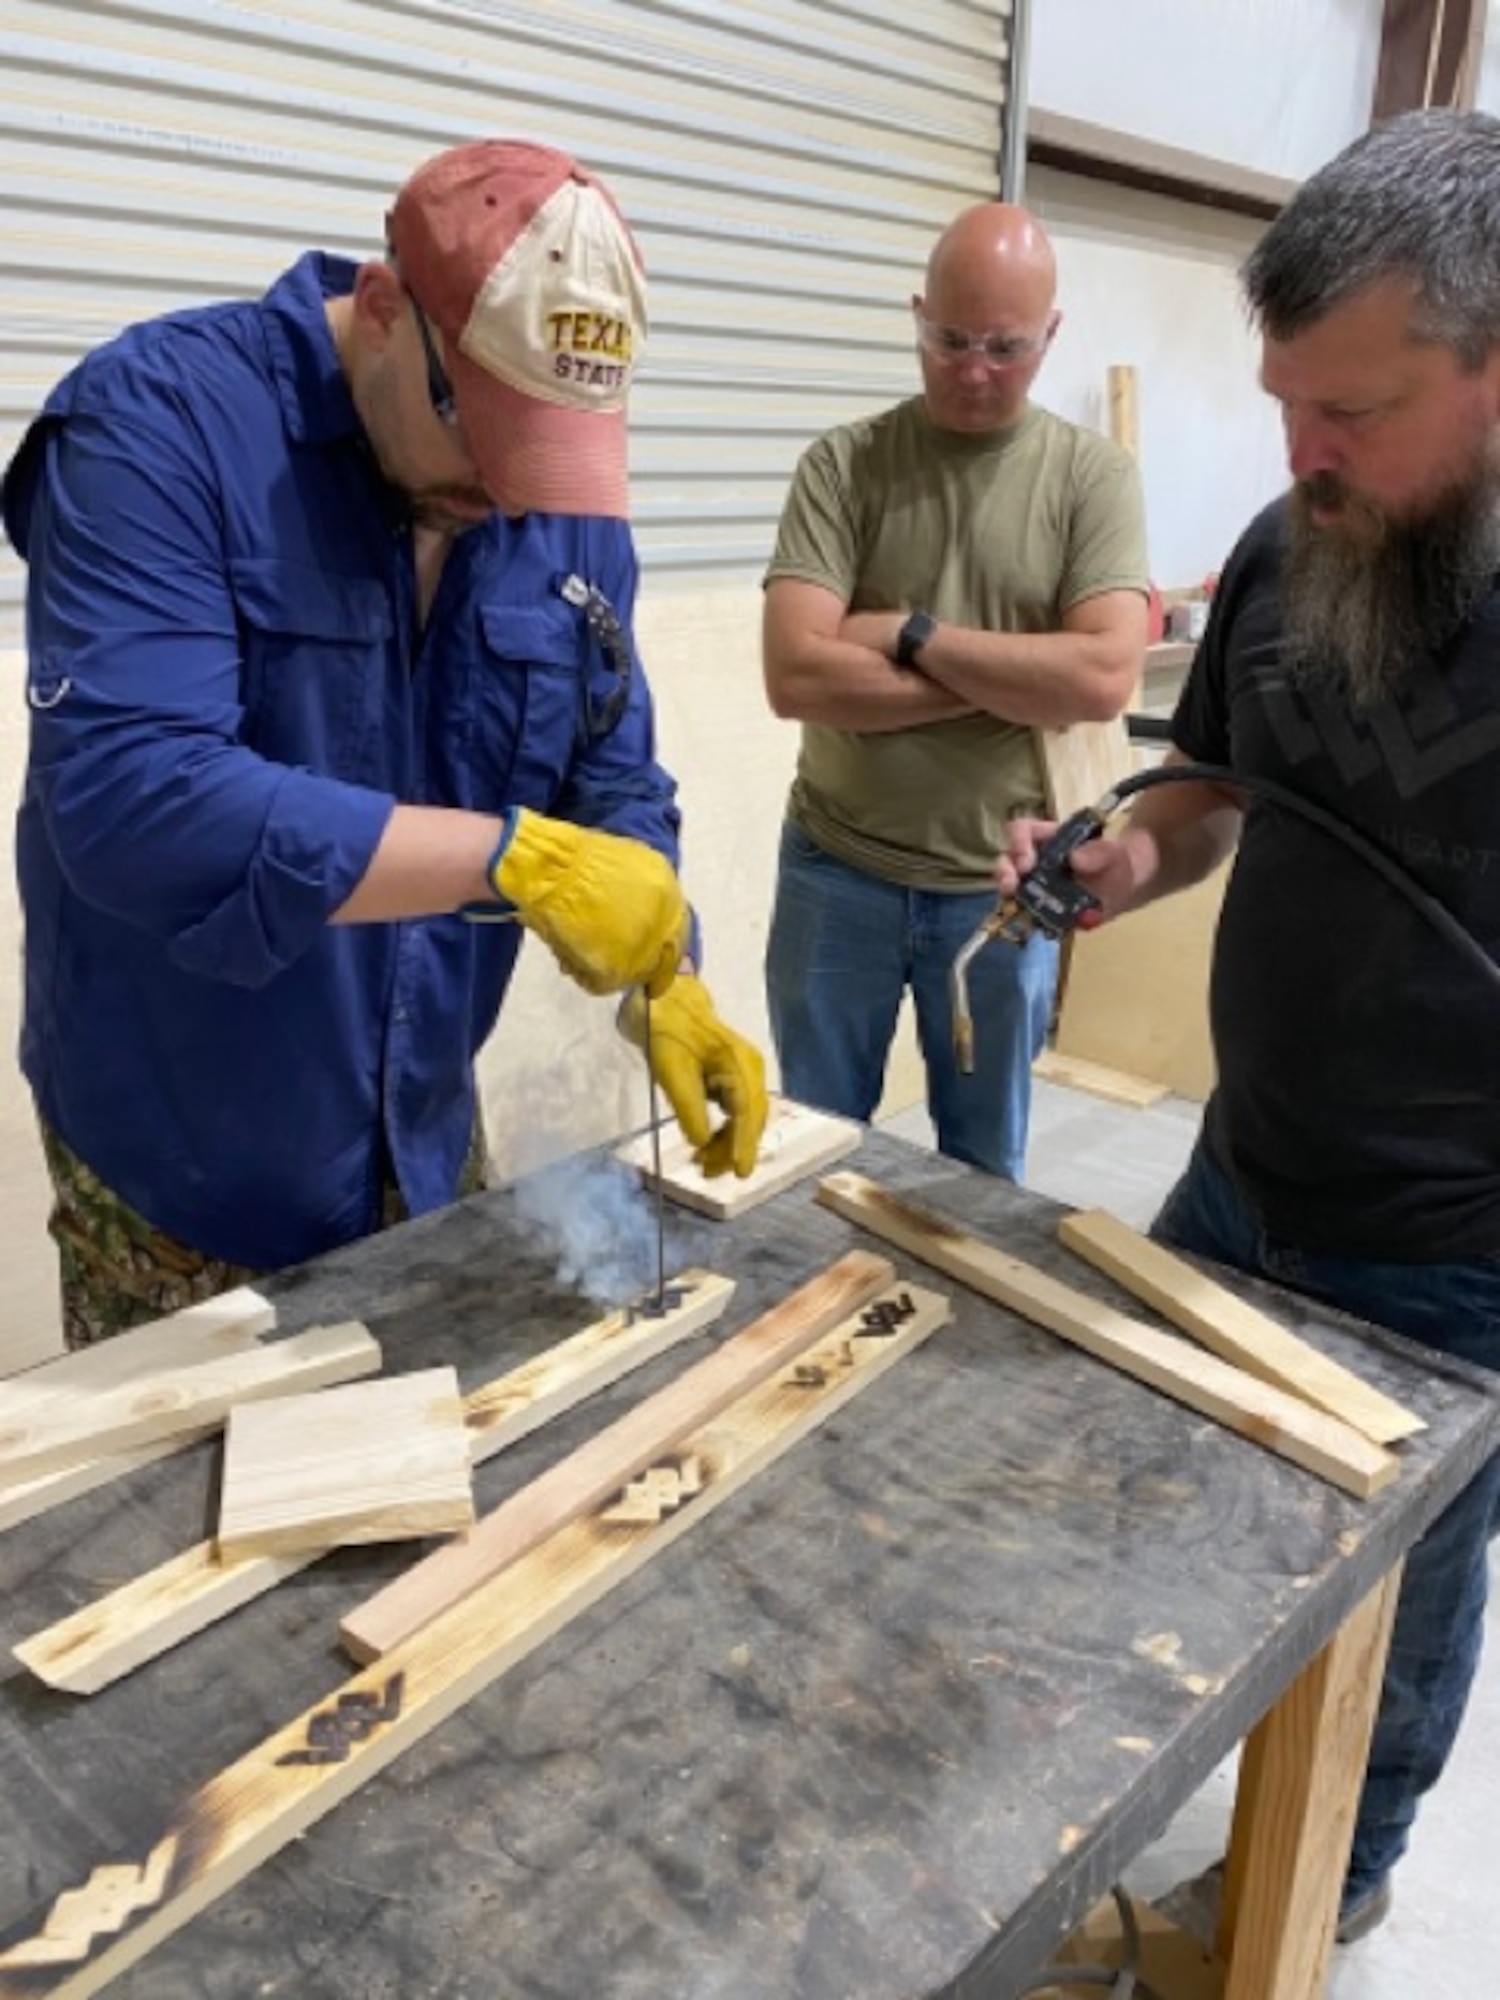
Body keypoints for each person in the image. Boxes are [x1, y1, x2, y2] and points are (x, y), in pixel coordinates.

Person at [3, 138, 767, 1347]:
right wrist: (514, 857)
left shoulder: (554, 505)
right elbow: (133, 802)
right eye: (486, 431)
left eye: (550, 448)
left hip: (421, 1132)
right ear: (382, 307)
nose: (512, 495)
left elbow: (610, 766)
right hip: (185, 1163)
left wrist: (664, 965)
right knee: (180, 1517)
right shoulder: (157, 426)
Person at [1002, 107, 1500, 1944]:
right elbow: (1207, 794)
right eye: (1287, 401)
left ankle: (1329, 1881)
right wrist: (1120, 860)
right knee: (1152, 1510)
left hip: (1462, 1257)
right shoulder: (1292, 551)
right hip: (1244, 1168)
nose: (1302, 454)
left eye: (1351, 412)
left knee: (1401, 1605)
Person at [760, 201, 1148, 1182]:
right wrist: (1020, 678)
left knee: (983, 1181)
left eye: (1007, 347)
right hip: (834, 871)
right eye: (950, 339)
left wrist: (910, 633)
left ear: (1050, 334)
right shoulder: (842, 465)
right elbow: (795, 672)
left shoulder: (1090, 478)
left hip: (999, 895)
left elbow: (1103, 676)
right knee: (812, 1158)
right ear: (917, 314)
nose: (974, 369)